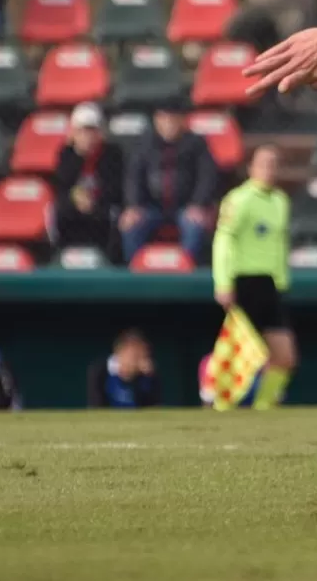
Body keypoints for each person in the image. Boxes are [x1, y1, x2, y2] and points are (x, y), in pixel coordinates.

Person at [212, 144, 296, 409]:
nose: (269, 170)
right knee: (238, 354)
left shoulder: (281, 201)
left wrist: (282, 280)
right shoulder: (238, 199)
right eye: (263, 164)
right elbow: (223, 240)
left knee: (284, 356)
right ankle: (218, 405)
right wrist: (223, 282)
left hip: (270, 284)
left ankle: (263, 407)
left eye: (274, 164)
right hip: (244, 282)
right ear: (251, 168)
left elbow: (279, 244)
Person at [120, 100, 219, 261]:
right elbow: (133, 177)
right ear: (156, 120)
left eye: (173, 119)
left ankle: (187, 277)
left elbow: (207, 176)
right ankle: (135, 276)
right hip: (151, 207)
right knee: (131, 225)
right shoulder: (144, 144)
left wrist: (198, 204)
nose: (168, 124)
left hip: (186, 207)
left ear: (182, 120)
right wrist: (133, 206)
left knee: (195, 226)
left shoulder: (197, 144)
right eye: (163, 119)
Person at [49, 102, 126, 257]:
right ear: (74, 133)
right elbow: (63, 185)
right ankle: (62, 255)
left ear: (100, 133)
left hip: (103, 204)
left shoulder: (113, 154)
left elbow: (115, 186)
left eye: (92, 131)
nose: (88, 136)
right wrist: (79, 155)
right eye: (83, 131)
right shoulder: (67, 154)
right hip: (76, 204)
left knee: (110, 215)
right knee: (59, 211)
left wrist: (94, 199)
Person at [86, 328, 159, 408]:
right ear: (119, 352)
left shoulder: (147, 375)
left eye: (143, 356)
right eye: (134, 356)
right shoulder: (100, 370)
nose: (138, 361)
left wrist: (149, 378)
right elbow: (95, 406)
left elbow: (153, 407)